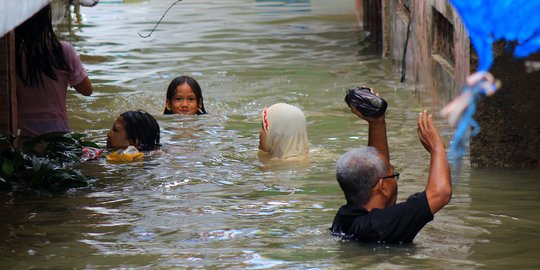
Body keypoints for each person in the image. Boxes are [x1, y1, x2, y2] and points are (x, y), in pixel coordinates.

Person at [330, 95, 451, 243]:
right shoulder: (382, 225)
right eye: (393, 175)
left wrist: (377, 122)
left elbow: (379, 168)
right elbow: (441, 193)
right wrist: (437, 148)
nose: (395, 178)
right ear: (381, 186)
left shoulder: (346, 217)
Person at [15, 4, 93, 139]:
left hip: (25, 137)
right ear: (47, 19)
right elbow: (87, 90)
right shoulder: (64, 51)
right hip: (58, 136)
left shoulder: (13, 55)